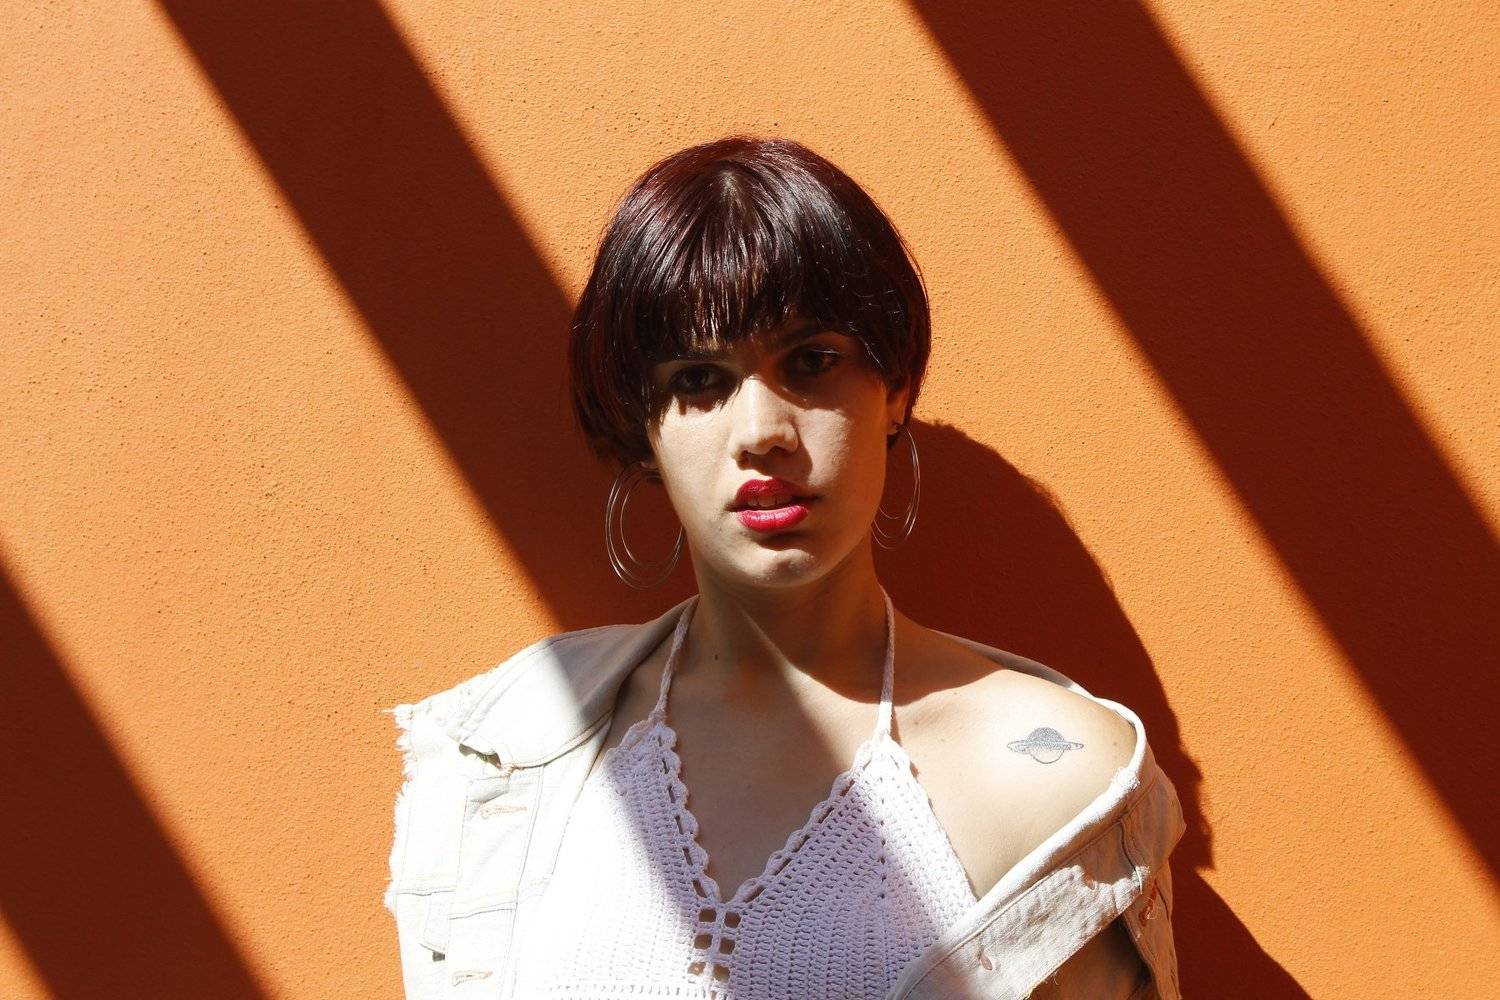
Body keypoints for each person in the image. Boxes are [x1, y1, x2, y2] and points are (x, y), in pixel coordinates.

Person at [383, 136, 1185, 1000]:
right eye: (700, 378)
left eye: (811, 362)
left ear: (894, 388)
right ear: (642, 429)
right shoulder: (506, 752)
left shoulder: (1059, 779)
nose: (762, 431)